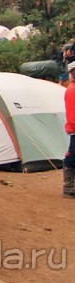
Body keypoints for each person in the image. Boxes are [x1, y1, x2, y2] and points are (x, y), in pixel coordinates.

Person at [64, 62, 75, 198]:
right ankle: (68, 187)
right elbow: (72, 115)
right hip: (74, 129)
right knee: (72, 157)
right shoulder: (72, 91)